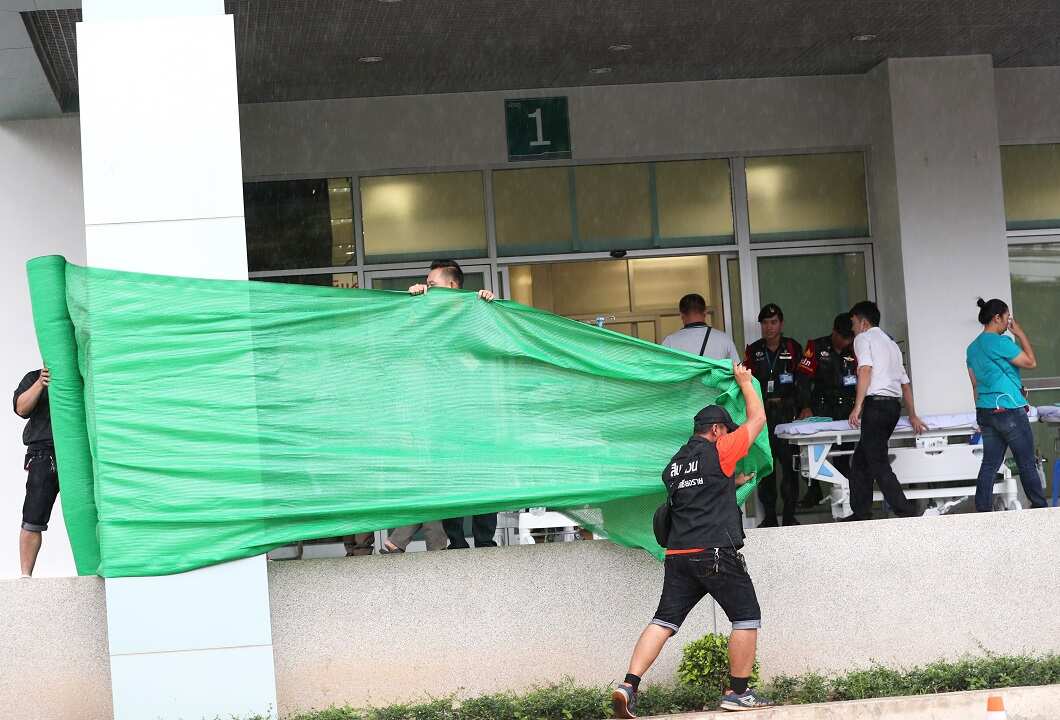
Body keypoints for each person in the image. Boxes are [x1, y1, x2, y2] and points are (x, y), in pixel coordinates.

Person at [611, 364, 774, 717]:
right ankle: (738, 693)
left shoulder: (673, 465)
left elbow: (695, 493)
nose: (728, 435)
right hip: (715, 552)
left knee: (663, 622)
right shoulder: (721, 449)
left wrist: (730, 482)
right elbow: (758, 418)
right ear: (716, 430)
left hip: (678, 555)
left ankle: (628, 685)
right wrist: (746, 384)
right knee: (746, 617)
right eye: (725, 431)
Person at [407, 259, 498, 550]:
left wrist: (489, 304)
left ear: (452, 285)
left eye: (432, 283)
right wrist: (415, 302)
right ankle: (456, 542)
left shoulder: (476, 308)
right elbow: (410, 337)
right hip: (443, 416)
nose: (428, 288)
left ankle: (485, 541)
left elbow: (493, 340)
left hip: (475, 413)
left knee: (484, 478)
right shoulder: (428, 309)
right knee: (450, 480)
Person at [846, 301, 927, 521]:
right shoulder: (891, 344)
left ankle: (904, 509)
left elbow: (865, 370)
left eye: (853, 323)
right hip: (892, 407)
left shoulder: (863, 338)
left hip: (876, 405)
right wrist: (911, 414)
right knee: (862, 460)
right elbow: (905, 384)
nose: (852, 328)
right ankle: (860, 511)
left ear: (863, 323)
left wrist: (858, 406)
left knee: (877, 460)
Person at [966, 298, 1047, 512]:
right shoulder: (1001, 342)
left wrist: (981, 413)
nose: (1008, 323)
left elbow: (975, 384)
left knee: (990, 464)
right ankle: (1041, 509)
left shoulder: (972, 348)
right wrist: (1019, 333)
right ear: (997, 317)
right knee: (1026, 463)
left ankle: (982, 511)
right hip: (1009, 410)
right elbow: (1031, 362)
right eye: (1007, 318)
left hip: (985, 411)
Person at [744, 304, 802, 527]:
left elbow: (803, 382)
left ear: (781, 324)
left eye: (773, 322)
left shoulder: (793, 348)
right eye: (765, 323)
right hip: (764, 414)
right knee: (766, 466)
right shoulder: (754, 350)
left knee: (789, 466)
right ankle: (769, 516)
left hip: (787, 413)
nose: (769, 327)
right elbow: (746, 381)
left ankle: (789, 515)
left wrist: (803, 407)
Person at [795, 313, 858, 507]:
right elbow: (803, 380)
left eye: (850, 338)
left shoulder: (855, 348)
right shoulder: (816, 347)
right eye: (843, 337)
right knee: (810, 455)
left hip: (847, 408)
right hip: (821, 407)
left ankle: (847, 500)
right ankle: (814, 491)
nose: (845, 342)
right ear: (834, 332)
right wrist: (805, 406)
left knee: (843, 455)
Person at [14, 367, 57, 578]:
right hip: (43, 452)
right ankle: (25, 576)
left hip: (78, 451)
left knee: (86, 510)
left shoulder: (82, 373)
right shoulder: (33, 377)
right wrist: (40, 383)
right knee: (33, 515)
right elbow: (21, 409)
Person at [661, 293, 742, 363]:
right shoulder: (723, 338)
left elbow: (662, 373)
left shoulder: (670, 341)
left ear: (681, 315)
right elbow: (737, 371)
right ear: (705, 312)